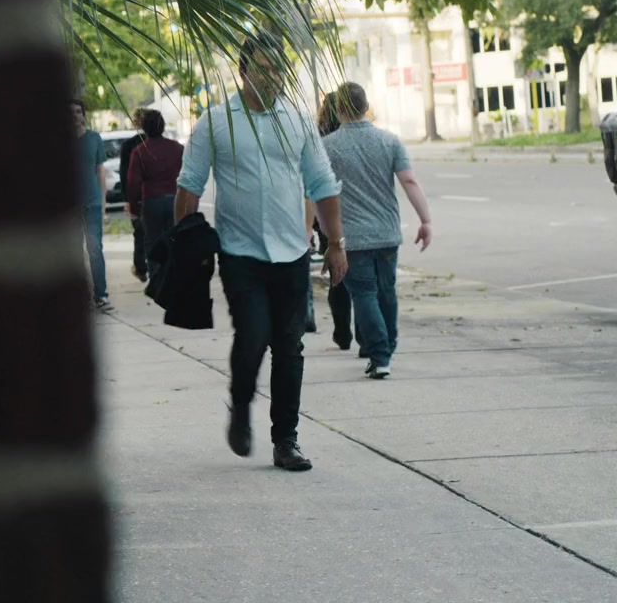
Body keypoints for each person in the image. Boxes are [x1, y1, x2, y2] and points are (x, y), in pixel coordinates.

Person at [175, 36, 347, 472]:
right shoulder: (216, 122)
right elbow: (189, 186)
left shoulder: (298, 120)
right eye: (264, 68)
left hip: (292, 252)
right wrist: (184, 250)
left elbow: (323, 184)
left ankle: (285, 440)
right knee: (253, 334)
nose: (272, 77)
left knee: (289, 346)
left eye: (278, 69)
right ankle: (240, 403)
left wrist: (336, 244)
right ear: (243, 70)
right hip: (240, 252)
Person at [321, 82, 433, 379]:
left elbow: (318, 192)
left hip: (352, 237)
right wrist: (426, 220)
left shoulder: (327, 146)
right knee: (386, 292)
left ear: (339, 109)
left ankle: (380, 355)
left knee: (364, 294)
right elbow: (409, 181)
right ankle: (388, 349)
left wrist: (323, 233)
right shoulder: (390, 141)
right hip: (386, 233)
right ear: (366, 107)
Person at [307, 95, 358, 349]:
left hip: (327, 216)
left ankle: (342, 332)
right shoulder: (355, 138)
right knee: (361, 277)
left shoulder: (318, 140)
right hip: (356, 214)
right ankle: (365, 336)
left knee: (337, 276)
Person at [126, 109, 184, 272]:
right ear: (163, 126)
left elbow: (133, 183)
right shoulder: (177, 148)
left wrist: (134, 208)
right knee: (174, 241)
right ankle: (174, 277)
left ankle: (157, 279)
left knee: (153, 243)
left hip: (151, 202)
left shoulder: (139, 151)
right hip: (174, 200)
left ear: (144, 128)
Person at [73, 98, 113, 312]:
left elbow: (100, 172)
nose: (74, 116)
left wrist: (103, 203)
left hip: (92, 203)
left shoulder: (94, 138)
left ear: (84, 115)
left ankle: (101, 295)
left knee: (95, 249)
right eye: (70, 112)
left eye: (78, 112)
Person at [119, 125, 149, 282]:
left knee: (140, 233)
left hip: (137, 196)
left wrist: (128, 199)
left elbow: (125, 175)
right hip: (156, 195)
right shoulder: (160, 143)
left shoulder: (128, 145)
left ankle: (141, 268)